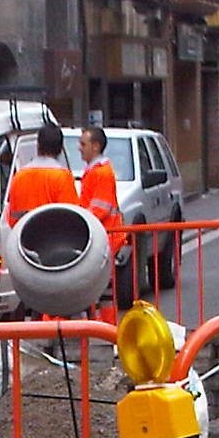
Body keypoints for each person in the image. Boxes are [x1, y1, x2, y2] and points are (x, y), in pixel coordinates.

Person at [78, 125, 131, 313]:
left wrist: (79, 221)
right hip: (104, 237)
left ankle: (106, 334)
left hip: (107, 239)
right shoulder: (96, 171)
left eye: (83, 143)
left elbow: (100, 208)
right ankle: (105, 333)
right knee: (103, 291)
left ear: (96, 146)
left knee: (103, 291)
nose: (79, 147)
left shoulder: (101, 173)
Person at [5, 122, 79, 225]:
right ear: (60, 148)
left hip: (23, 237)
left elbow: (12, 217)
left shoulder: (19, 176)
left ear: (38, 145)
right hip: (53, 238)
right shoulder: (62, 177)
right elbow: (72, 216)